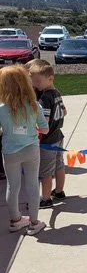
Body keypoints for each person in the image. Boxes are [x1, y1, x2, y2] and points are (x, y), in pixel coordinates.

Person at [0, 65, 49, 235]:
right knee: (33, 184)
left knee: (12, 187)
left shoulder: (1, 109)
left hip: (9, 152)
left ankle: (15, 220)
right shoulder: (34, 105)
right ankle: (34, 222)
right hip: (31, 150)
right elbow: (45, 130)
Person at [27, 60, 68, 209]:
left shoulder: (44, 99)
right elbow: (64, 112)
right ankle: (59, 191)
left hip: (48, 141)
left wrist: (34, 127)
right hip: (58, 135)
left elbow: (43, 122)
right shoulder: (56, 93)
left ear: (50, 78)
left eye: (38, 81)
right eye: (33, 81)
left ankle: (45, 199)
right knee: (59, 165)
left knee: (45, 172)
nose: (35, 84)